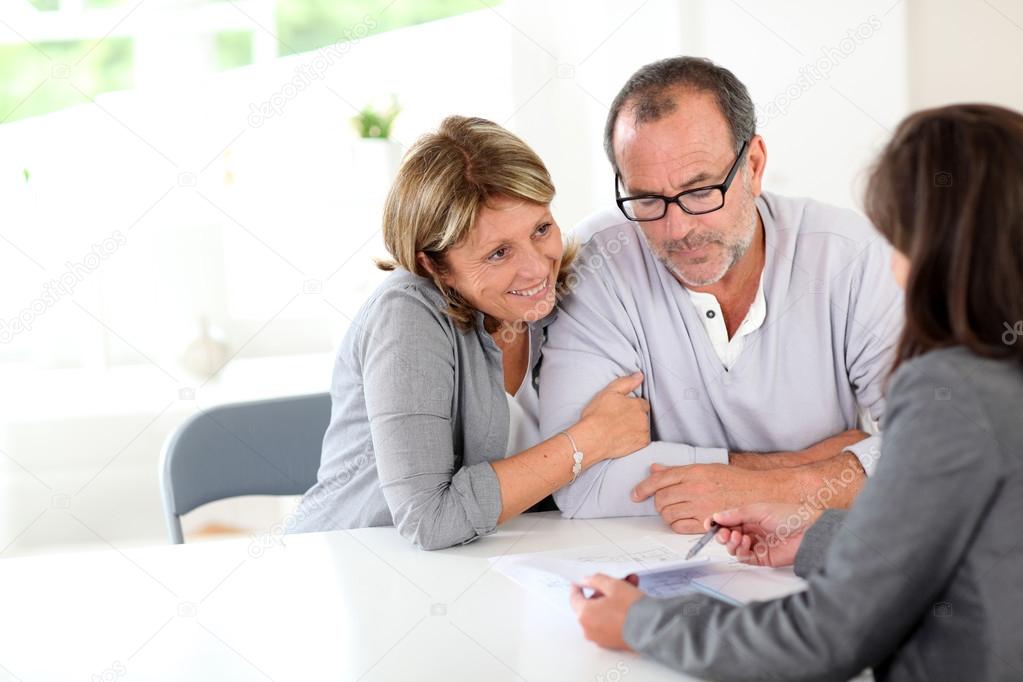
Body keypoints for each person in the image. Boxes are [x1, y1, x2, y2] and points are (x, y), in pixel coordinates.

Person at [571, 103, 1023, 681]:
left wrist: (641, 622)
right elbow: (949, 543)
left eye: (900, 241)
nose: (893, 269)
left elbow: (824, 638)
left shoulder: (955, 389)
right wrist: (818, 534)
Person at [539, 56, 903, 530]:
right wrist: (807, 471)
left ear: (753, 165)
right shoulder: (598, 259)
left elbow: (935, 447)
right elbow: (580, 483)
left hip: (810, 563)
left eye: (701, 190)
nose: (678, 228)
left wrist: (756, 488)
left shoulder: (849, 256)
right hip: (655, 566)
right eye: (647, 199)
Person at [289, 116, 651, 550]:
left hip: (491, 565)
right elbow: (429, 519)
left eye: (541, 228)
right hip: (355, 564)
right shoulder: (407, 314)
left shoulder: (569, 292)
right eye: (499, 253)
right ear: (433, 265)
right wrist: (589, 441)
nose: (538, 268)